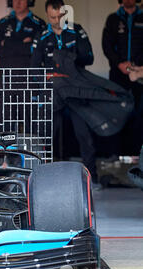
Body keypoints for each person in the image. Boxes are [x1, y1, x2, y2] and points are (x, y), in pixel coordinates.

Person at [31, 0, 100, 186]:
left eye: (60, 16)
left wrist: (69, 58)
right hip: (53, 91)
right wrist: (43, 87)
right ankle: (40, 177)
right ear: (47, 15)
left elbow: (90, 57)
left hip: (76, 88)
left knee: (84, 134)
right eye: (52, 17)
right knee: (47, 133)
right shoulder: (42, 35)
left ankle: (92, 177)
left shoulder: (76, 31)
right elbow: (34, 67)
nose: (56, 20)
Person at [102, 0, 143, 156]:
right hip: (117, 74)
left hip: (139, 74)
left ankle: (137, 155)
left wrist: (135, 64)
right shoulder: (113, 19)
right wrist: (119, 63)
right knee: (116, 113)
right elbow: (107, 45)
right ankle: (116, 155)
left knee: (139, 114)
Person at [0, 0, 46, 69]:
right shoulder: (3, 22)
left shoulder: (39, 24)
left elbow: (39, 51)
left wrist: (6, 43)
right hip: (6, 75)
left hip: (30, 75)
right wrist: (23, 44)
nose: (18, 2)